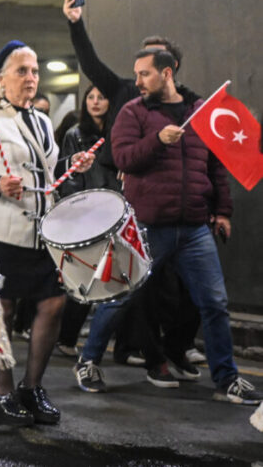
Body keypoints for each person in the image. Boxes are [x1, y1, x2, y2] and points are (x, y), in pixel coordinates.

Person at [73, 49, 260, 406]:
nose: (138, 82)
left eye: (145, 74)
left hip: (193, 227)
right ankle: (88, 362)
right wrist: (157, 141)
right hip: (147, 226)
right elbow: (123, 158)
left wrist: (222, 210)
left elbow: (216, 165)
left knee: (215, 303)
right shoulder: (132, 112)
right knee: (120, 296)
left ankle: (227, 379)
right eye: (137, 74)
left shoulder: (200, 112)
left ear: (168, 73)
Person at [0, 40, 93, 427]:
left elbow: (45, 172)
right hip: (1, 228)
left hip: (41, 230)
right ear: (1, 81)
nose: (31, 77)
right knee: (5, 309)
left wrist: (72, 163)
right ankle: (2, 394)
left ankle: (32, 388)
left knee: (53, 304)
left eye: (35, 71)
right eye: (22, 71)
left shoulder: (43, 121)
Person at [52, 85, 119, 356]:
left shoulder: (119, 134)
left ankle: (127, 346)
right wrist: (75, 210)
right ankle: (67, 338)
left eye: (101, 96)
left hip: (115, 210)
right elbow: (69, 174)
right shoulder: (75, 134)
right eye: (90, 97)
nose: (95, 102)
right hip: (87, 212)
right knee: (87, 278)